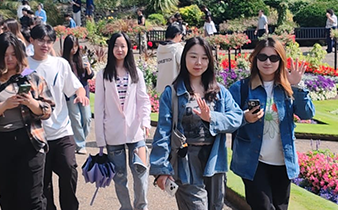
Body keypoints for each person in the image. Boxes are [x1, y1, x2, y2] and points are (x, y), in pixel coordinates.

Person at [150, 37, 243, 210]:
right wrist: (161, 169)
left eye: (204, 58)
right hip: (186, 161)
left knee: (215, 206)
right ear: (184, 58)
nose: (198, 62)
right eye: (193, 56)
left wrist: (212, 118)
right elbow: (163, 133)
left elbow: (237, 117)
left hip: (214, 159)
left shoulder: (219, 91)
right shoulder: (172, 93)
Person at [228, 38, 314, 210]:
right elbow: (228, 120)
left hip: (282, 162)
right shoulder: (241, 88)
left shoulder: (287, 88)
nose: (268, 62)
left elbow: (307, 113)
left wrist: (297, 86)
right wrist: (245, 118)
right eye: (263, 57)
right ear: (255, 59)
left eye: (274, 58)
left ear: (281, 61)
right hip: (253, 162)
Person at [0, 32, 55, 210]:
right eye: (4, 55)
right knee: (8, 199)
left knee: (33, 200)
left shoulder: (31, 76)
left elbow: (48, 110)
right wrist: (4, 106)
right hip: (0, 144)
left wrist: (32, 104)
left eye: (13, 54)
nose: (9, 59)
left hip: (30, 141)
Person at [28, 24, 89, 210]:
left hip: (62, 130)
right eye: (40, 40)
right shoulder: (25, 66)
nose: (44, 45)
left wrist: (81, 93)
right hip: (37, 134)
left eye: (48, 41)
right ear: (32, 40)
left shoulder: (60, 64)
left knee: (70, 169)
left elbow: (75, 85)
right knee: (43, 183)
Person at [95, 32, 152, 210]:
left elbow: (143, 100)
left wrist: (146, 121)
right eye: (116, 46)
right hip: (113, 134)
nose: (120, 49)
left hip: (137, 132)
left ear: (128, 48)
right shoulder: (103, 75)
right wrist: (100, 140)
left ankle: (141, 206)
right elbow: (99, 108)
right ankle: (126, 207)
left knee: (141, 174)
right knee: (119, 177)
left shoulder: (136, 73)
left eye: (123, 46)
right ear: (111, 48)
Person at [61, 35, 94, 155]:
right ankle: (80, 144)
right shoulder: (63, 62)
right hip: (70, 93)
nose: (74, 50)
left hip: (83, 92)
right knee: (75, 118)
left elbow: (89, 76)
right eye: (71, 47)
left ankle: (81, 140)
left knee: (86, 118)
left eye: (75, 46)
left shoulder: (81, 58)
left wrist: (89, 69)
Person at [155, 24, 185, 94]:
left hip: (161, 88)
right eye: (181, 35)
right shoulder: (177, 48)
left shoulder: (160, 49)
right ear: (177, 34)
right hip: (175, 89)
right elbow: (184, 66)